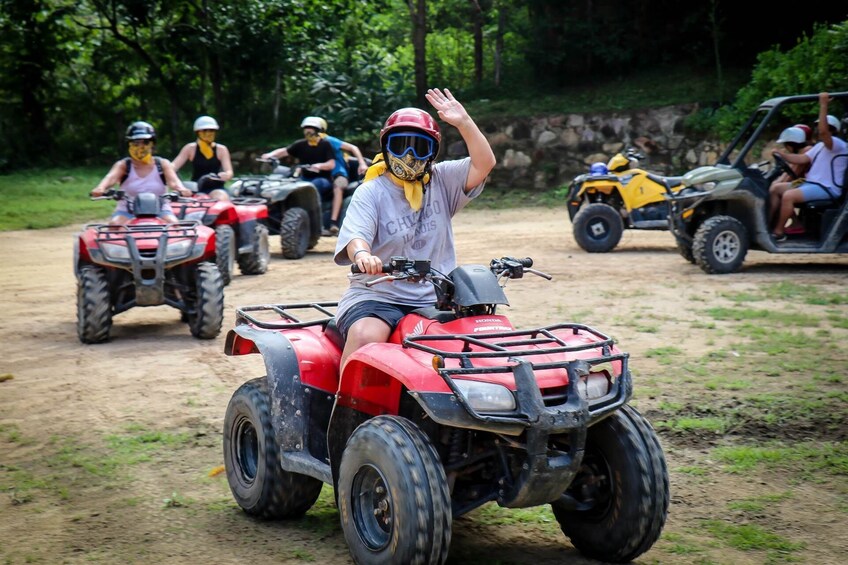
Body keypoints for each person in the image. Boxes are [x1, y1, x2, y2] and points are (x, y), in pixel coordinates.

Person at [333, 88, 496, 368]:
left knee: (484, 338)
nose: (409, 155)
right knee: (366, 337)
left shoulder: (442, 180)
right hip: (378, 295)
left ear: (432, 153)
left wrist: (464, 122)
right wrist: (363, 256)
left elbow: (485, 163)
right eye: (401, 146)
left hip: (438, 296)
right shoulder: (371, 191)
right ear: (386, 148)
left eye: (419, 147)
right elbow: (356, 235)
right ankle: (344, 408)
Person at [771, 92, 847, 242]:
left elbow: (824, 133)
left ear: (833, 130)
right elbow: (802, 158)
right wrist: (782, 155)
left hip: (826, 188)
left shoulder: (837, 145)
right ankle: (769, 224)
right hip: (812, 184)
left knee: (788, 196)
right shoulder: (820, 147)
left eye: (823, 126)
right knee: (775, 189)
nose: (819, 129)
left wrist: (823, 104)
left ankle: (778, 232)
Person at [91, 121, 191, 224]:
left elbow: (174, 182)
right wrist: (100, 188)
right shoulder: (123, 165)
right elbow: (110, 178)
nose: (141, 147)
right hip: (127, 211)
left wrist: (182, 189)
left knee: (174, 225)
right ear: (129, 145)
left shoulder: (162, 164)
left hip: (161, 210)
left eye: (145, 142)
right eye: (136, 143)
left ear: (152, 144)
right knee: (114, 225)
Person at [261, 117, 335, 211]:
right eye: (306, 128)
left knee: (313, 185)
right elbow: (284, 151)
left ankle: (314, 213)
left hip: (322, 179)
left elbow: (331, 164)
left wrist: (319, 166)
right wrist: (270, 155)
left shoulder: (325, 144)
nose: (307, 131)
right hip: (303, 178)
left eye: (310, 128)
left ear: (317, 131)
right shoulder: (300, 144)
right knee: (287, 185)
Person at [315, 116, 368, 235]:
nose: (309, 131)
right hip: (321, 177)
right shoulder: (308, 145)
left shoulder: (329, 140)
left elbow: (353, 147)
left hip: (338, 174)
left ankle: (333, 223)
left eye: (313, 129)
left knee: (338, 186)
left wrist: (362, 163)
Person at [171, 115, 234, 201]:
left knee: (221, 197)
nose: (208, 133)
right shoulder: (190, 148)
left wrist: (226, 175)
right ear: (198, 132)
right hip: (195, 187)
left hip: (216, 187)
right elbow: (172, 167)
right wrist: (178, 184)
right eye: (205, 130)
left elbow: (229, 172)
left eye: (211, 130)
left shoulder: (221, 149)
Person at [767, 125, 811, 233]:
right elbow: (789, 171)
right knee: (776, 186)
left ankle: (767, 222)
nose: (785, 147)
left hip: (807, 182)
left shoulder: (806, 151)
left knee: (776, 189)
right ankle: (774, 221)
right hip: (802, 181)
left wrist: (778, 183)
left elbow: (793, 173)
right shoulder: (800, 152)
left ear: (791, 144)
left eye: (785, 144)